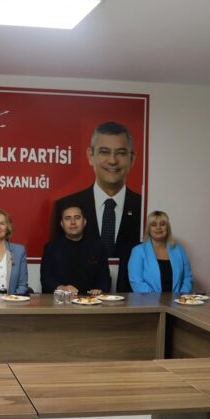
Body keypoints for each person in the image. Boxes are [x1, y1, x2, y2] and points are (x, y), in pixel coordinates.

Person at [51, 121, 142, 293]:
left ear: (132, 158)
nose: (112, 161)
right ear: (90, 156)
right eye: (104, 152)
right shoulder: (64, 205)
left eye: (121, 153)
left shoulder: (142, 206)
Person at [41, 204, 111, 296]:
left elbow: (105, 278)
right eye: (68, 218)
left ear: (84, 222)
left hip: (90, 300)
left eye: (77, 218)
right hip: (62, 300)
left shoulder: (98, 246)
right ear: (62, 224)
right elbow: (46, 279)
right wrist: (61, 288)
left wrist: (99, 289)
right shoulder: (51, 248)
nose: (73, 222)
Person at [127, 210, 193, 293]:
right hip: (148, 300)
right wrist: (156, 299)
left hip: (177, 300)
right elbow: (137, 282)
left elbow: (187, 278)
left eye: (162, 224)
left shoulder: (179, 250)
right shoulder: (138, 251)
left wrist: (181, 297)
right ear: (148, 229)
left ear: (167, 228)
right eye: (154, 225)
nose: (158, 227)